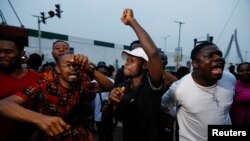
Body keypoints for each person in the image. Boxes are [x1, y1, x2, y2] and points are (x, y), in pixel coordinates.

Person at [0, 53, 114, 141]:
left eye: (76, 65)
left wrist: (90, 69)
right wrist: (39, 118)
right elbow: (4, 105)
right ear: (58, 69)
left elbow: (109, 86)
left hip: (80, 136)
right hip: (53, 137)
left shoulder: (82, 83)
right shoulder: (44, 83)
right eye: (68, 65)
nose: (73, 68)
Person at [108, 8, 167, 141]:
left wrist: (132, 22)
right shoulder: (123, 87)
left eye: (132, 60)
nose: (127, 64)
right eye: (127, 60)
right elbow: (118, 117)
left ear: (145, 65)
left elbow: (153, 54)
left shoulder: (152, 84)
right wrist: (113, 103)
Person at [161, 41, 236, 141]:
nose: (218, 58)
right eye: (210, 56)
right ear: (195, 64)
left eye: (219, 55)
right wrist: (180, 115)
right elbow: (164, 105)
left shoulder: (230, 79)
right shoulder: (180, 89)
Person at [0, 25, 42, 140]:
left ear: (22, 54)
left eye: (8, 52)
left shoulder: (38, 78)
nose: (2, 55)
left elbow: (42, 109)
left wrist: (36, 134)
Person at [93, 61, 114, 141]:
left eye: (104, 68)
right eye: (100, 68)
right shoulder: (93, 82)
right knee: (101, 134)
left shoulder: (112, 81)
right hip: (98, 113)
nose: (102, 70)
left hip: (109, 113)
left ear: (106, 70)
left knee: (108, 134)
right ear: (97, 70)